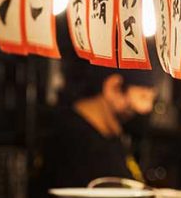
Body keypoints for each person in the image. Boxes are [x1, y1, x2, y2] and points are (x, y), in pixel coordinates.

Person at [42, 61, 159, 189]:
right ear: (114, 87)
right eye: (143, 96)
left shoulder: (111, 137)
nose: (148, 108)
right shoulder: (73, 139)